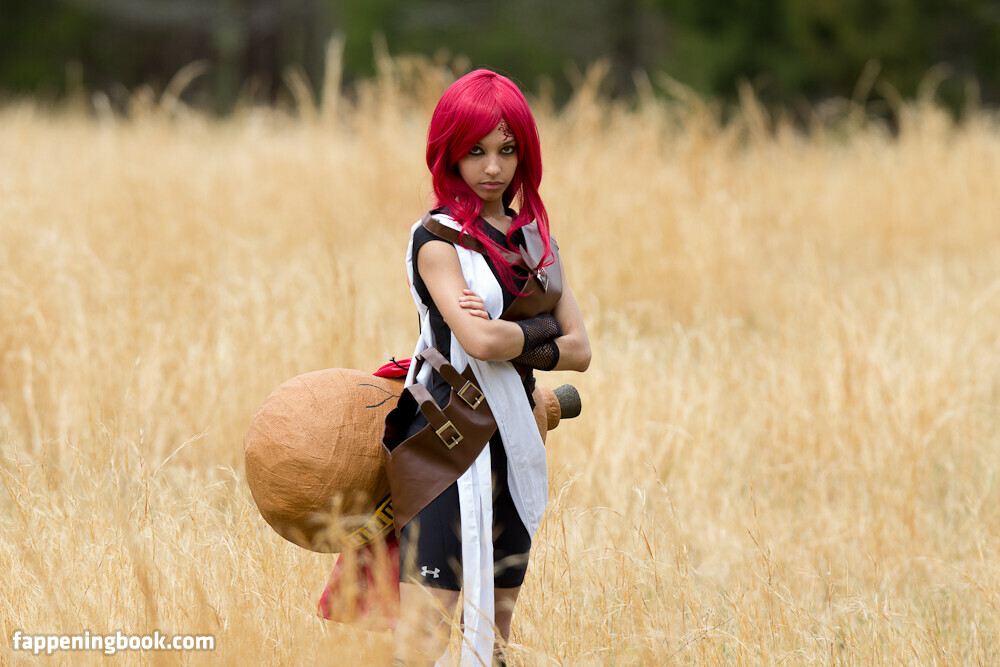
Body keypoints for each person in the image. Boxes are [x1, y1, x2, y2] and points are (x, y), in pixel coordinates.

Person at [386, 69, 590, 666]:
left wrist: (511, 337)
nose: (493, 168)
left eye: (507, 150)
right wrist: (543, 327)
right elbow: (477, 340)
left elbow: (581, 351)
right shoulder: (436, 240)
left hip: (514, 442)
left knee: (497, 629)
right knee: (424, 633)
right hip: (443, 442)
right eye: (475, 151)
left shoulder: (536, 241)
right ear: (449, 152)